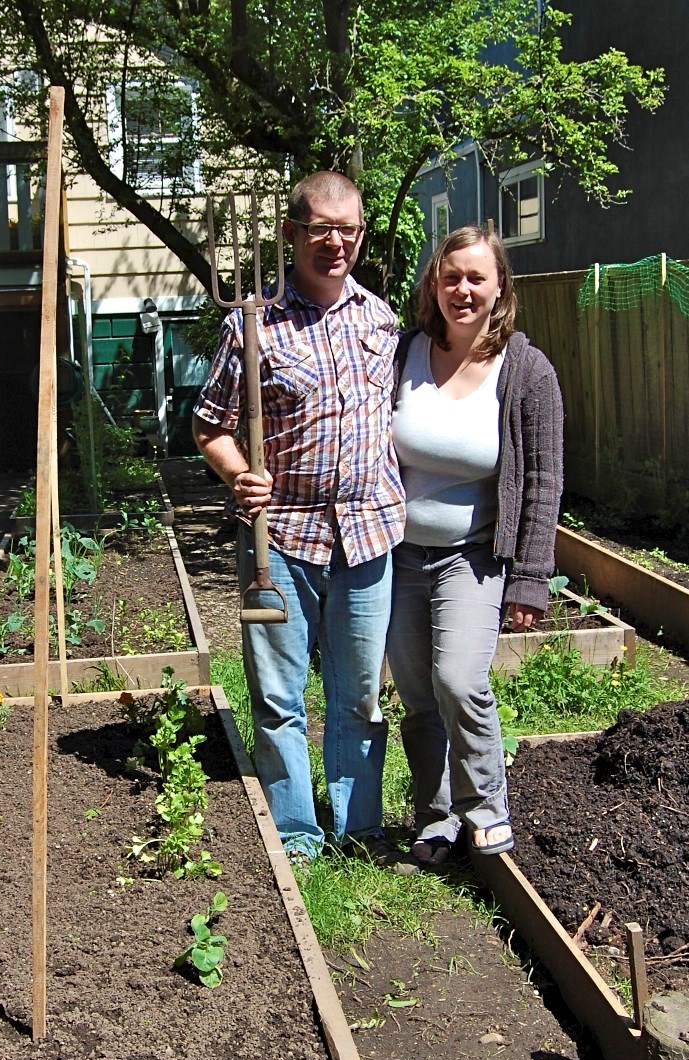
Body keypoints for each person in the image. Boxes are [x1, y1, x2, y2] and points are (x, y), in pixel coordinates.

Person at [193, 171, 406, 863]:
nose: (334, 242)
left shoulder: (381, 320)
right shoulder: (251, 324)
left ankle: (360, 826)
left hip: (369, 534)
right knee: (280, 697)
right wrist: (238, 473)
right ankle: (295, 834)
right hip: (280, 538)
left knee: (359, 695)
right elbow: (209, 424)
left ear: (361, 233)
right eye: (319, 228)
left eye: (346, 229)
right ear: (290, 233)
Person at [387, 224, 563, 866]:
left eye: (476, 277)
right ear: (434, 285)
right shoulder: (403, 354)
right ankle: (435, 816)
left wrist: (531, 579)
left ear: (499, 288)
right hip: (397, 555)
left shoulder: (525, 370)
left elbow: (543, 483)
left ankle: (485, 806)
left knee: (459, 680)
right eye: (450, 276)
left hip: (473, 555)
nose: (462, 289)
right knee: (415, 691)